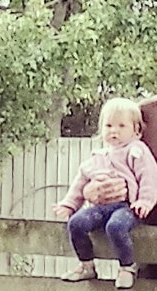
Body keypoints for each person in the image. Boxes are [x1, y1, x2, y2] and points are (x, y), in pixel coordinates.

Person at [59, 95, 157, 280]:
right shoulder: (147, 111)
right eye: (109, 126)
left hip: (132, 210)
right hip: (144, 228)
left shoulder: (137, 151)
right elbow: (82, 179)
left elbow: (149, 177)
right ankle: (87, 265)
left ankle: (126, 268)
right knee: (77, 223)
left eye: (120, 127)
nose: (114, 131)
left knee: (116, 226)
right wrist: (79, 198)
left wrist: (144, 200)